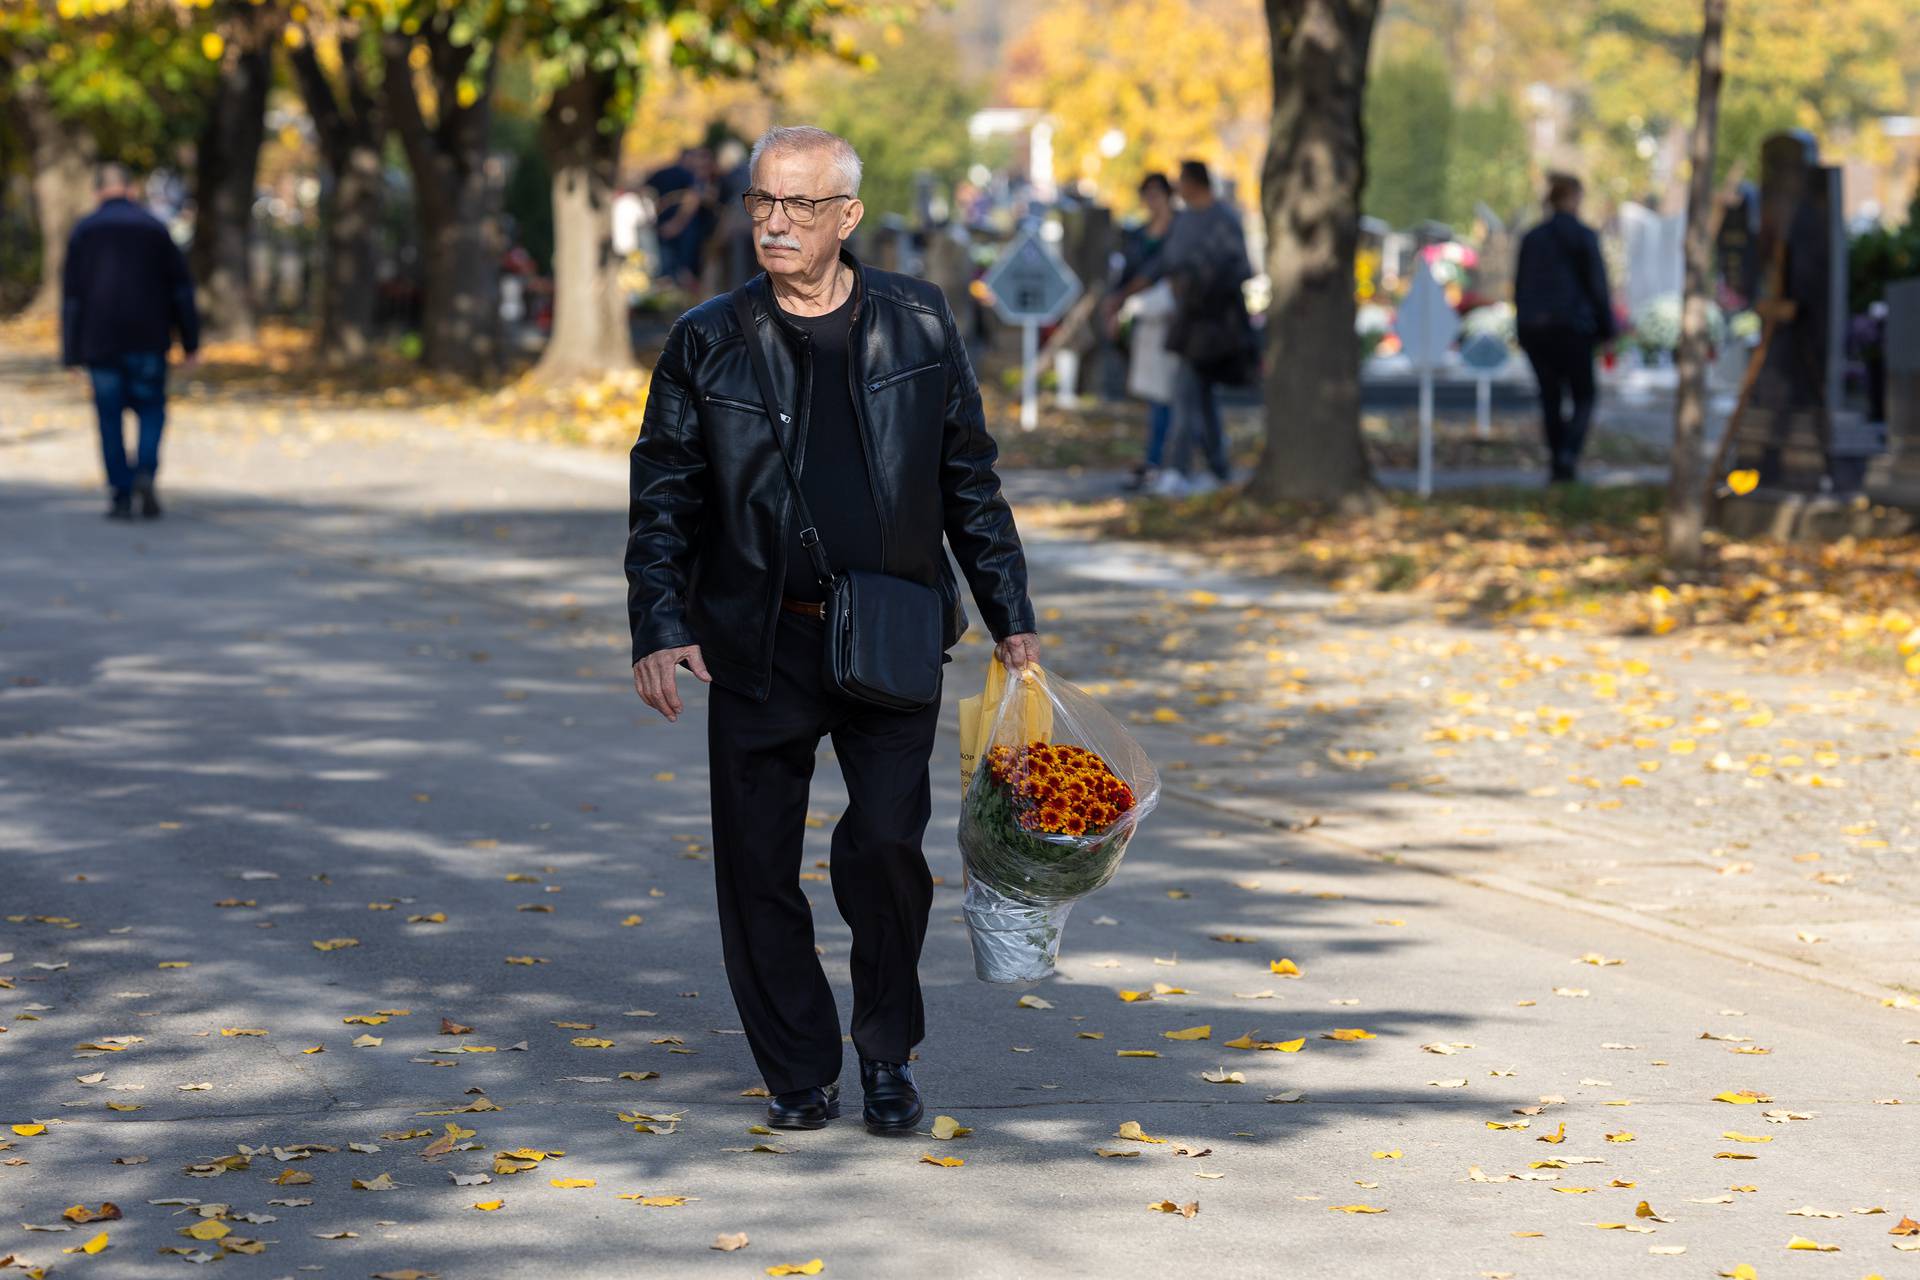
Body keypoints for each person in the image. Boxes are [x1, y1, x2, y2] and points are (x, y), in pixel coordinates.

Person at [624, 125, 1039, 1137]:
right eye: (764, 201)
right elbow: (665, 491)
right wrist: (659, 618)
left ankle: (887, 1050)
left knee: (888, 849)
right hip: (758, 638)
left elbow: (966, 478)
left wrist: (1010, 613)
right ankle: (799, 1065)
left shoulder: (921, 321)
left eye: (801, 205)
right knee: (757, 864)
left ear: (846, 217)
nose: (775, 221)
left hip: (893, 630)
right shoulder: (706, 338)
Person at [61, 163, 200, 520]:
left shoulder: (84, 231)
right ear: (132, 190)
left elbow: (72, 296)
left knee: (109, 418)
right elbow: (181, 290)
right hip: (149, 338)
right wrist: (190, 342)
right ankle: (145, 472)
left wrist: (71, 352)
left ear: (97, 193)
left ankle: (121, 495)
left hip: (100, 340)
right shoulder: (155, 228)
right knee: (152, 408)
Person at [1108, 159, 1252, 496]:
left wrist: (1198, 283)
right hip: (1188, 321)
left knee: (1189, 395)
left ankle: (1178, 468)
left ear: (1194, 183)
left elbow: (1238, 267)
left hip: (1213, 321)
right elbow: (1164, 266)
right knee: (1196, 394)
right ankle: (1216, 466)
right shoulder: (1186, 221)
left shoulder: (1223, 220)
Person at [1514, 173, 1616, 484]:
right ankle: (1567, 453)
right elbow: (1597, 287)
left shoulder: (1533, 238)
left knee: (1550, 397)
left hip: (1537, 329)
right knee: (1584, 395)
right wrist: (1608, 330)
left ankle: (1560, 461)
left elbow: (1520, 287)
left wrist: (1522, 327)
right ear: (1573, 198)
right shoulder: (1583, 236)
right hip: (1574, 329)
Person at [1104, 172, 1178, 493]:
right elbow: (1127, 274)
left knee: (1169, 395)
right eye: (1147, 193)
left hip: (1172, 319)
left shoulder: (1179, 231)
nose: (1152, 200)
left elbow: (1156, 272)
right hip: (1143, 320)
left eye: (1157, 193)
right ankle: (1159, 458)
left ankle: (1161, 459)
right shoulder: (1137, 235)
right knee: (1156, 394)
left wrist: (1126, 296)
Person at [645, 145, 719, 293]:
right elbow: (691, 200)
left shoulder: (664, 173)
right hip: (684, 231)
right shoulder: (688, 175)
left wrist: (652, 214)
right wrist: (676, 225)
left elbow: (644, 190)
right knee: (682, 272)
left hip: (668, 228)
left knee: (669, 272)